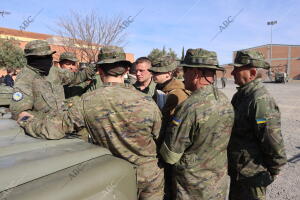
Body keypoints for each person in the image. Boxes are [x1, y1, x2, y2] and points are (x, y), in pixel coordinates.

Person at [17, 46, 165, 200]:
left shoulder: (85, 101)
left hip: (114, 175)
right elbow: (160, 137)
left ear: (100, 71)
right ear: (127, 70)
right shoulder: (147, 102)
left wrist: (26, 119)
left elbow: (52, 130)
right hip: (149, 177)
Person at [160, 48, 234, 200]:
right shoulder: (224, 100)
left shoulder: (189, 107)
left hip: (193, 189)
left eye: (184, 71)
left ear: (195, 74)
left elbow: (170, 155)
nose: (182, 77)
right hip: (217, 183)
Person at [228, 50, 287, 200]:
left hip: (253, 174)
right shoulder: (240, 95)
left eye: (237, 69)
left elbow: (271, 137)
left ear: (252, 73)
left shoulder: (260, 99)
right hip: (239, 170)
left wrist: (275, 167)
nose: (232, 73)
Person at [10, 40, 96, 119]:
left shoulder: (54, 71)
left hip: (63, 122)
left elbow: (77, 77)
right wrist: (49, 121)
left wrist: (96, 66)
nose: (47, 60)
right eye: (42, 57)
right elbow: (21, 114)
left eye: (49, 56)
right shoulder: (24, 79)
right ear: (31, 58)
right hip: (44, 129)